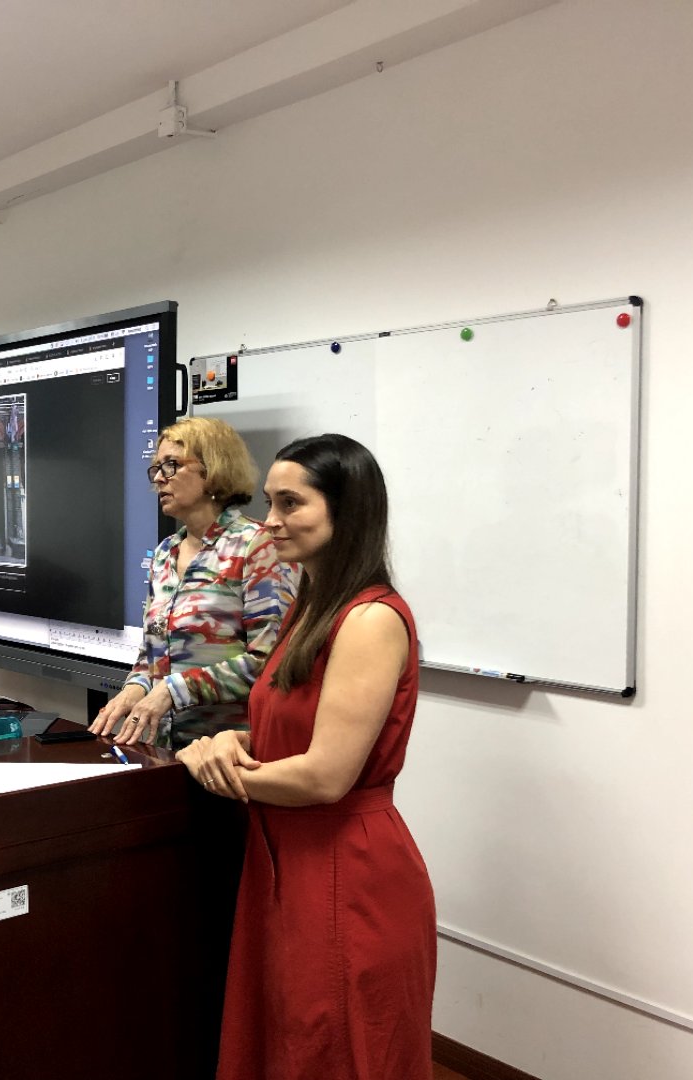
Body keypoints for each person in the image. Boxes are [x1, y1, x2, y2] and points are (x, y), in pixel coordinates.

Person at [178, 433, 436, 1080]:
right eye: (269, 502)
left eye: (290, 503)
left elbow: (325, 776)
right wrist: (229, 742)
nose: (269, 521)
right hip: (284, 858)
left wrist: (220, 772)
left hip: (345, 869)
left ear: (347, 509)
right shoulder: (311, 604)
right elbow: (281, 726)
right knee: (287, 1042)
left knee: (337, 1050)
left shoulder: (371, 620)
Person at [89, 417, 297, 748]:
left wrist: (175, 690)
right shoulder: (164, 553)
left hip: (229, 753)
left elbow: (272, 661)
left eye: (171, 465)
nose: (159, 478)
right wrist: (134, 688)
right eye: (156, 468)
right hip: (164, 750)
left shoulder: (257, 546)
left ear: (213, 469)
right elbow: (152, 654)